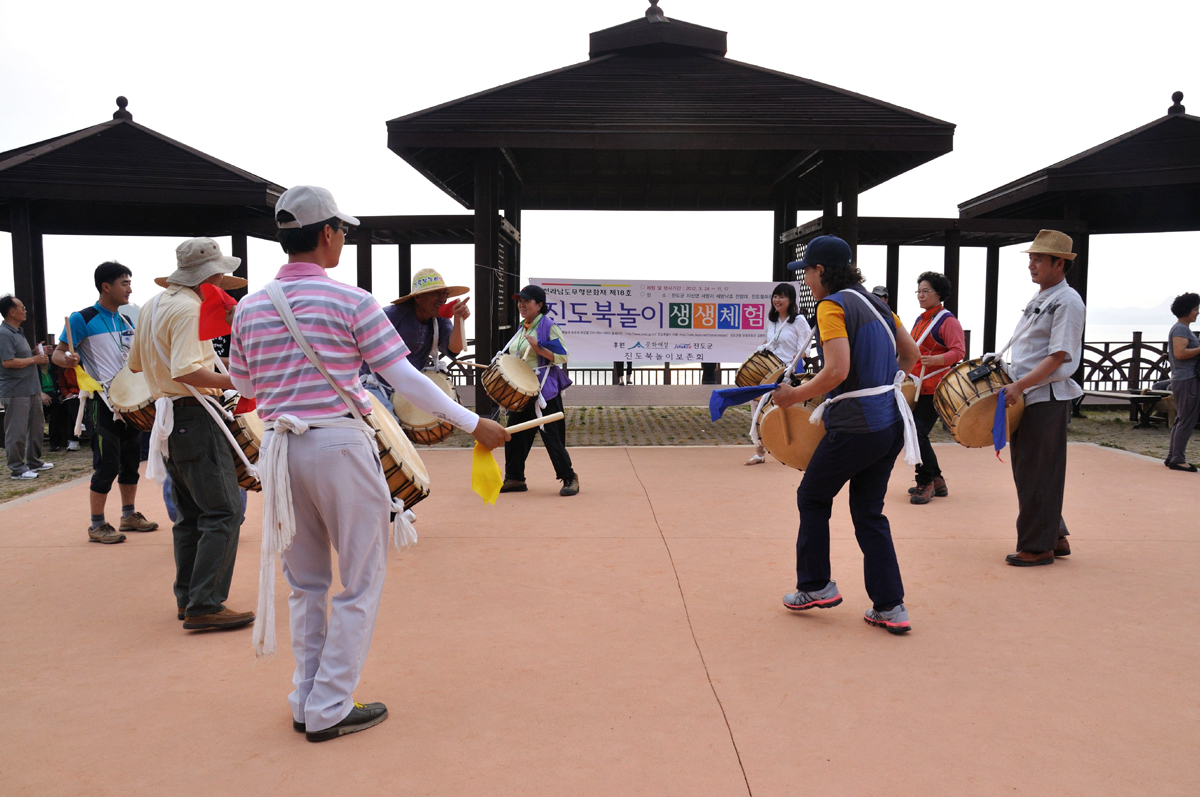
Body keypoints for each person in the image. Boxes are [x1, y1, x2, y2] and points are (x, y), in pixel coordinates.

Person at [230, 185, 507, 743]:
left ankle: (306, 699)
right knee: (359, 582)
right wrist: (476, 424)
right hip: (339, 446)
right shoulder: (352, 301)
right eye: (343, 230)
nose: (343, 239)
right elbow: (406, 380)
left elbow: (243, 385)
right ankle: (331, 705)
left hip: (281, 454)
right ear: (328, 232)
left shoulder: (250, 307)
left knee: (305, 584)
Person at [774, 236, 921, 634]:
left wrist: (793, 396)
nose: (804, 279)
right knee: (868, 512)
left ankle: (816, 585)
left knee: (812, 496)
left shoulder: (832, 305)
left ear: (821, 271)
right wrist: (882, 382)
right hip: (889, 423)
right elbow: (910, 355)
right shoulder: (878, 303)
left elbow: (837, 370)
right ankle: (890, 607)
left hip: (857, 425)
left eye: (806, 271)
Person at [128, 238, 255, 628]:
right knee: (224, 510)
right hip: (195, 415)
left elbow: (135, 365)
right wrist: (236, 380)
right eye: (219, 276)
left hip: (171, 420)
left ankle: (189, 598)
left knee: (190, 514)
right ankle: (205, 604)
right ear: (209, 277)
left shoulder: (152, 305)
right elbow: (186, 369)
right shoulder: (187, 310)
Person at [53, 262, 159, 544]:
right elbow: (57, 354)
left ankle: (128, 514)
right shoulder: (82, 318)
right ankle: (96, 525)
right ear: (106, 286)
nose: (130, 289)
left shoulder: (126, 320)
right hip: (102, 402)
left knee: (130, 462)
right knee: (107, 465)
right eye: (124, 283)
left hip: (131, 403)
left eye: (129, 282)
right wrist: (68, 359)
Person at [999, 230, 1086, 566]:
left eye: (1039, 259)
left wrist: (1019, 386)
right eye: (1031, 258)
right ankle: (1056, 535)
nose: (1031, 264)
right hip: (1032, 395)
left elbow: (1058, 356)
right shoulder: (1045, 297)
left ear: (1059, 263)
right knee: (1034, 470)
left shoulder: (1067, 301)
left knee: (1037, 470)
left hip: (1045, 395)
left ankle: (1038, 547)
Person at [499, 284, 580, 496]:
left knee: (553, 438)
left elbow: (563, 356)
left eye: (526, 301)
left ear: (539, 305)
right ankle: (515, 478)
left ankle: (570, 478)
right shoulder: (521, 328)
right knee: (514, 435)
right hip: (522, 391)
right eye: (519, 301)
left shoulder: (548, 326)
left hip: (545, 390)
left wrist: (538, 349)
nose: (521, 304)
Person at [906, 272, 965, 504]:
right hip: (917, 386)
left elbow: (959, 352)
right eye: (919, 291)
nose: (921, 295)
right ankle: (936, 479)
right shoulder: (921, 320)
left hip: (936, 387)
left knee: (917, 432)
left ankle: (926, 481)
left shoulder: (947, 320)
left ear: (939, 294)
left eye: (926, 291)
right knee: (914, 432)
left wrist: (936, 361)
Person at [746, 282, 813, 465]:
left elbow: (806, 344)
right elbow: (769, 342)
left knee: (786, 409)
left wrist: (800, 355)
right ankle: (759, 450)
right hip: (770, 369)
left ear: (791, 300)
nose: (777, 300)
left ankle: (794, 447)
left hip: (789, 371)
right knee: (756, 403)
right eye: (775, 296)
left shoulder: (799, 321)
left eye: (782, 296)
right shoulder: (771, 321)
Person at [1, 295, 53, 481]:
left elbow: (20, 356)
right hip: (16, 391)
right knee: (17, 431)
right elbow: (7, 362)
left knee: (37, 427)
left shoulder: (18, 331)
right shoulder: (4, 334)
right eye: (21, 307)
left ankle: (34, 461)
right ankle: (17, 468)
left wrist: (35, 352)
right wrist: (34, 359)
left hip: (31, 387)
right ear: (11, 311)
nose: (25, 310)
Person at [1165, 292, 1200, 471]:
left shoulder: (1182, 329)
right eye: (1195, 309)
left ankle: (1173, 455)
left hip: (1183, 379)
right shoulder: (1180, 329)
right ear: (1186, 310)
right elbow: (1180, 353)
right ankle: (1178, 459)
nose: (1197, 312)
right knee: (1187, 420)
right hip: (1186, 380)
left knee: (1182, 419)